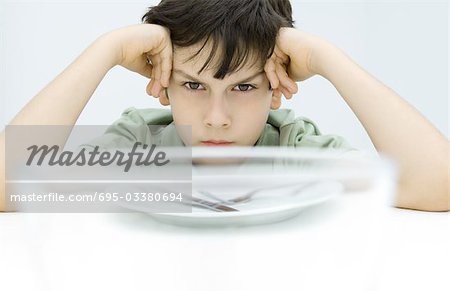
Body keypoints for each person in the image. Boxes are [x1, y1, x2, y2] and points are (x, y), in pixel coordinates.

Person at [0, 0, 448, 212]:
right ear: (163, 86)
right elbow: (8, 187)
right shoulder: (143, 143)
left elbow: (438, 186)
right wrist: (105, 51)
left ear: (277, 87)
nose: (216, 118)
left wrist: (329, 59)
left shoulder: (293, 148)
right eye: (193, 86)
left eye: (242, 88)